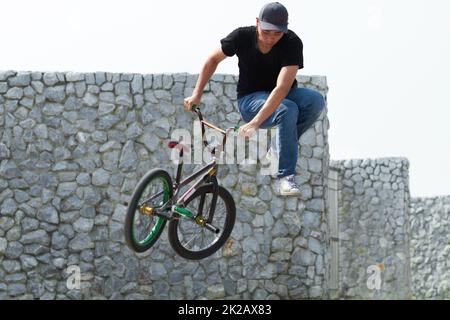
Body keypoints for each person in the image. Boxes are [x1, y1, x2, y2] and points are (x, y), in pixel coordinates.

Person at [184, 2, 325, 196]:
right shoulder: (241, 37)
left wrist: (256, 124)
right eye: (266, 32)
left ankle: (277, 145)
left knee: (316, 100)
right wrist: (197, 93)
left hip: (280, 95)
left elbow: (282, 88)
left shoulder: (292, 42)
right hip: (250, 100)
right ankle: (286, 177)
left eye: (277, 34)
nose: (271, 39)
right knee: (287, 109)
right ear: (257, 22)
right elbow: (213, 59)